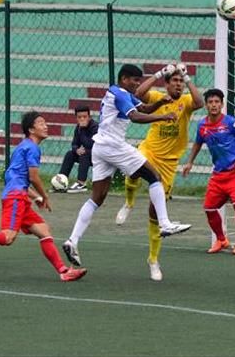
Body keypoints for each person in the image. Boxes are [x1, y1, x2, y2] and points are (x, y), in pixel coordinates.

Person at [62, 64, 191, 270]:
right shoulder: (120, 93)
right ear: (124, 79)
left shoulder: (120, 93)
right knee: (154, 177)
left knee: (97, 198)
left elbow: (143, 108)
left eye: (139, 80)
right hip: (113, 146)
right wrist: (163, 116)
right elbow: (135, 117)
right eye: (134, 80)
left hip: (100, 147)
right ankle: (165, 224)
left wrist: (160, 104)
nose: (137, 84)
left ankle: (72, 241)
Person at [112, 62, 203, 281]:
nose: (179, 84)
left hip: (169, 162)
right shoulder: (156, 96)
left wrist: (187, 77)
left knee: (154, 212)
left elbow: (200, 102)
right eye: (175, 81)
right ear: (167, 84)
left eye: (181, 81)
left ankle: (153, 260)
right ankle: (129, 203)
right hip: (149, 150)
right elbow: (139, 92)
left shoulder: (186, 101)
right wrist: (161, 72)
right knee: (133, 170)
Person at [0, 111, 87, 281]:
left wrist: (35, 197)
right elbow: (33, 177)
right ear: (31, 129)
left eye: (45, 122)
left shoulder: (22, 147)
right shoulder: (31, 148)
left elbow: (14, 179)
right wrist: (44, 196)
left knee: (44, 231)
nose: (45, 126)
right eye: (40, 123)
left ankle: (64, 271)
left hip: (18, 196)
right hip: (16, 198)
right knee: (8, 237)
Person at [183, 89, 235, 255]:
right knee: (209, 208)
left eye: (217, 102)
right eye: (210, 102)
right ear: (206, 105)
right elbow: (198, 144)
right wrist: (190, 162)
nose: (214, 105)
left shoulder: (231, 123)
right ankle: (222, 240)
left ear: (221, 104)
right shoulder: (202, 125)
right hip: (218, 175)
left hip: (234, 172)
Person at [57, 106, 98, 193]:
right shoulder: (78, 127)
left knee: (84, 153)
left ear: (89, 117)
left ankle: (81, 183)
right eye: (79, 117)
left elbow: (91, 145)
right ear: (76, 118)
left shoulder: (95, 127)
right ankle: (60, 182)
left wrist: (82, 129)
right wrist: (76, 150)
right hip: (86, 154)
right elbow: (74, 144)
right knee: (70, 154)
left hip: (98, 155)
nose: (82, 119)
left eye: (85, 116)